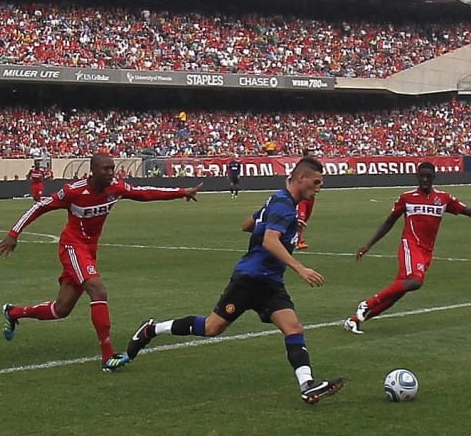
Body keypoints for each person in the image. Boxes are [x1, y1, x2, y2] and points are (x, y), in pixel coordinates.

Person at [116, 155, 345, 405]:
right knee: (211, 328)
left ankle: (307, 386)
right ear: (301, 178)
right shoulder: (283, 205)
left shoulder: (278, 201)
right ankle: (151, 329)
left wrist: (269, 227)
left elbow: (247, 224)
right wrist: (299, 267)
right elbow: (270, 241)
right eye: (316, 182)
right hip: (250, 279)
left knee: (293, 328)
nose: (319, 187)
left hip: (270, 282)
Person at [0, 151, 201, 371]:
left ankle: (14, 312)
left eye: (112, 168)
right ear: (93, 170)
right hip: (72, 247)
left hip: (88, 251)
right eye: (106, 169)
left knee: (61, 309)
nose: (111, 173)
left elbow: (145, 193)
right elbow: (40, 206)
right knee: (98, 291)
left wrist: (181, 192)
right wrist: (13, 233)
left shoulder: (116, 188)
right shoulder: (73, 191)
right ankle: (107, 356)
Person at [345, 161, 471, 332]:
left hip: (426, 251)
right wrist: (368, 245)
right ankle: (367, 304)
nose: (425, 180)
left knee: (398, 292)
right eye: (422, 176)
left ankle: (354, 321)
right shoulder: (407, 198)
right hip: (410, 245)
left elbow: (470, 212)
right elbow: (389, 222)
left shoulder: (443, 199)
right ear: (417, 177)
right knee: (415, 281)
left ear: (434, 177)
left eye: (429, 176)